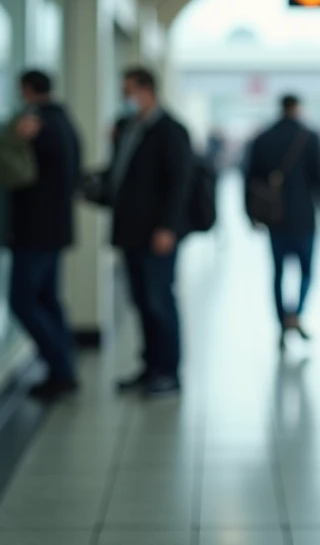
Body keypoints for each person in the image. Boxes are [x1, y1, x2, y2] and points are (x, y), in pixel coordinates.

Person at [107, 67, 194, 398]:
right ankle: (151, 367)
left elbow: (179, 183)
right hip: (131, 231)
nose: (124, 97)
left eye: (128, 90)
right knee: (141, 301)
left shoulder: (170, 130)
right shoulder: (131, 128)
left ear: (147, 90)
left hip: (157, 234)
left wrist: (168, 227)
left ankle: (169, 372)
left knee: (160, 300)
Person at [5, 70, 83, 400]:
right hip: (55, 228)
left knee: (23, 301)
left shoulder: (37, 126)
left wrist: (16, 137)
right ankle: (63, 368)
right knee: (48, 299)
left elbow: (14, 166)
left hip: (35, 230)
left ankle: (61, 368)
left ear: (27, 90)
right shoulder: (66, 122)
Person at [246, 95, 320, 347]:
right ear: (297, 108)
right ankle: (295, 314)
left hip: (273, 218)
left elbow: (250, 178)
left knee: (277, 273)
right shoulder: (309, 137)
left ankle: (281, 322)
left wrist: (250, 215)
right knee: (306, 271)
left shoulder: (263, 138)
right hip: (303, 218)